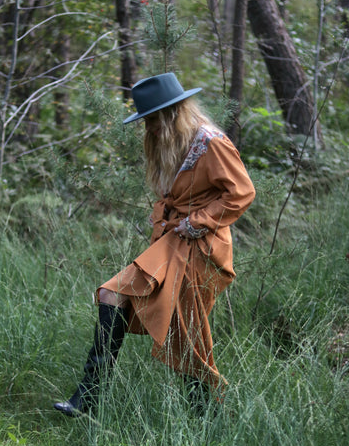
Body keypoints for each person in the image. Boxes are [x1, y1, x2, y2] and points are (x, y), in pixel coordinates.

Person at [54, 72, 255, 417]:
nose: (149, 127)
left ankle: (205, 414)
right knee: (111, 293)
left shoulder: (211, 142)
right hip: (172, 240)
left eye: (153, 119)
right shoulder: (168, 141)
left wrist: (198, 221)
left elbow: (241, 192)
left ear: (174, 114)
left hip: (202, 246)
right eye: (146, 119)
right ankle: (88, 397)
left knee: (185, 326)